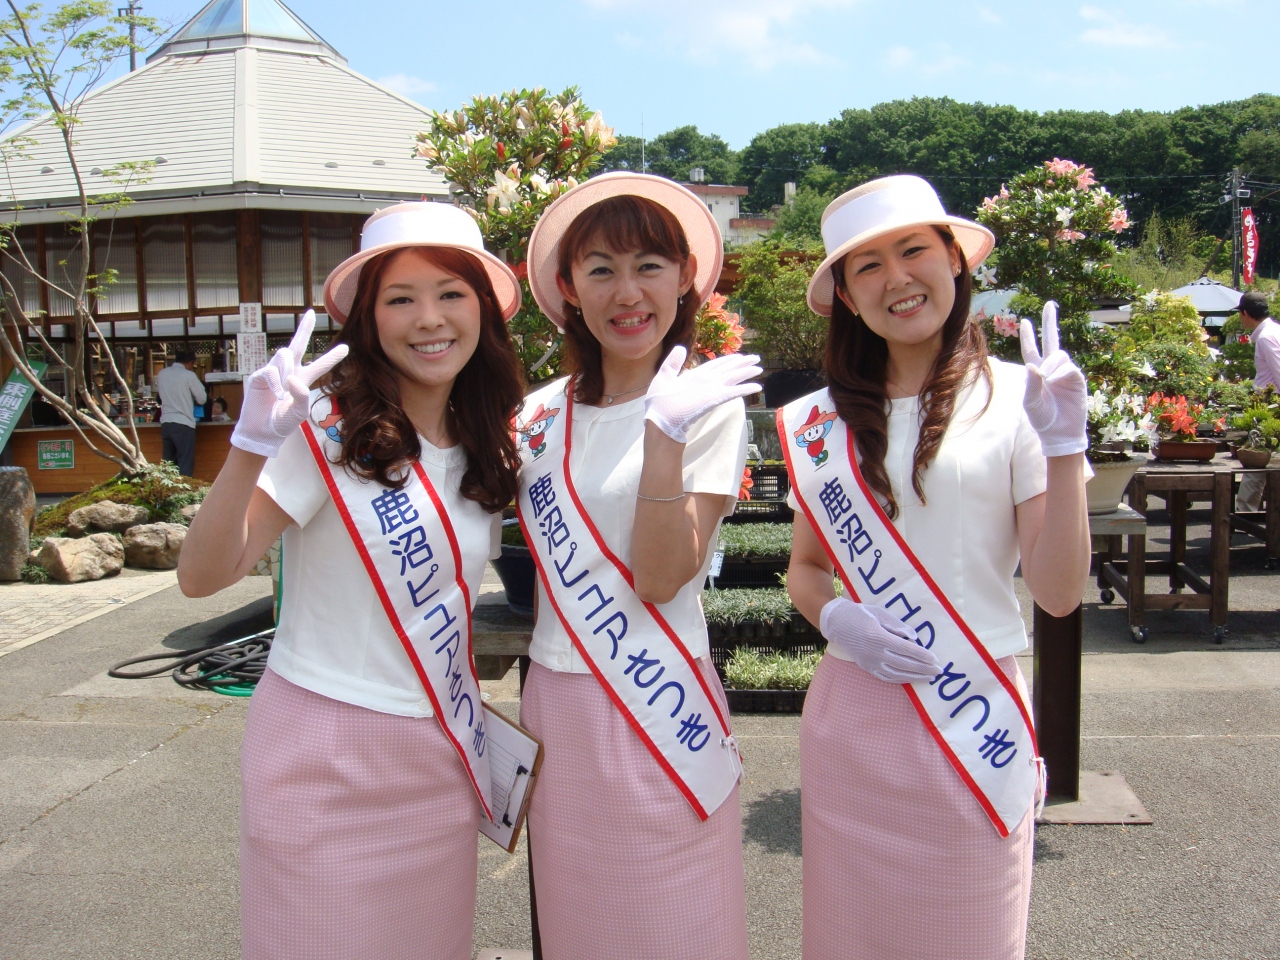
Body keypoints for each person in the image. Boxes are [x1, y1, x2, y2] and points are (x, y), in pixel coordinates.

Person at [177, 201, 525, 960]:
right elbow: (203, 576)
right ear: (368, 321)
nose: (429, 319)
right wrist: (248, 442)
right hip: (323, 752)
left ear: (483, 312)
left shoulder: (485, 445)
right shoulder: (323, 429)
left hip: (437, 754)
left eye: (451, 294)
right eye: (400, 298)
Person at [781, 175, 1091, 960]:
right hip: (855, 715)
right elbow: (806, 570)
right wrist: (838, 616)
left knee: (973, 933)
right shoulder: (820, 425)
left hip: (972, 713)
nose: (897, 278)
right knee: (851, 938)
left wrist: (1064, 451)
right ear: (848, 297)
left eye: (914, 250)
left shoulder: (1025, 400)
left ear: (955, 261)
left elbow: (1057, 594)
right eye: (868, 266)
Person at [517, 172, 761, 960]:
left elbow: (662, 581)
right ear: (568, 288)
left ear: (686, 278)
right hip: (560, 700)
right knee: (580, 921)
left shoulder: (707, 406)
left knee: (676, 921)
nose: (628, 292)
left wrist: (662, 436)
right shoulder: (536, 414)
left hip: (662, 701)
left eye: (650, 265)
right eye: (601, 269)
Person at [1236, 291, 1278, 512]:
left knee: (1256, 458)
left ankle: (1246, 512)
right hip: (1270, 403)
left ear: (1246, 314)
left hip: (1270, 405)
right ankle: (1247, 510)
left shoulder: (1265, 336)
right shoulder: (1273, 331)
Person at [155, 348, 207, 476]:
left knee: (168, 463)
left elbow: (160, 396)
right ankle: (184, 493)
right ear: (190, 362)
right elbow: (202, 398)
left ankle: (166, 491)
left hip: (166, 422)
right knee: (185, 462)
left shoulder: (162, 374)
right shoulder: (189, 375)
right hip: (184, 423)